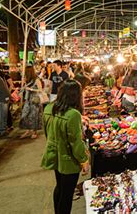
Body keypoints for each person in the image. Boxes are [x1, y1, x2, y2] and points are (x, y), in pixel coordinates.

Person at [41, 80, 89, 214]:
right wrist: (84, 160)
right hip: (68, 159)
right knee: (67, 194)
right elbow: (76, 142)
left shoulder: (49, 108)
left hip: (54, 154)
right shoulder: (73, 114)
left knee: (60, 187)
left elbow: (47, 132)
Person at [19, 66, 43, 139]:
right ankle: (28, 130)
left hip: (35, 100)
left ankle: (34, 131)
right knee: (25, 115)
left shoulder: (37, 80)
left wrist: (31, 89)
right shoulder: (28, 80)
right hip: (28, 100)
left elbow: (41, 90)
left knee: (34, 116)